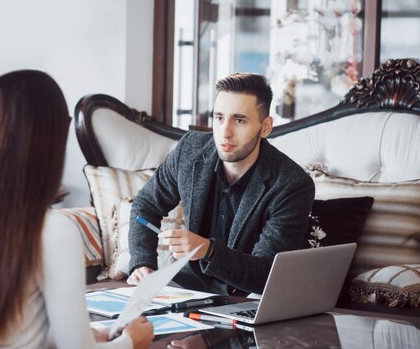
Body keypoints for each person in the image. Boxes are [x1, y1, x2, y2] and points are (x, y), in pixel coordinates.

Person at [0, 70, 189, 349]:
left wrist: (88, 337)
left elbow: (6, 326)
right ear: (51, 138)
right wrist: (130, 341)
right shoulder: (52, 230)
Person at [127, 73, 314, 295]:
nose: (225, 133)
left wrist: (208, 250)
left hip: (249, 300)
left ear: (265, 127)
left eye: (239, 120)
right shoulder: (189, 150)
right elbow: (146, 205)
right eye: (219, 118)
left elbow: (268, 273)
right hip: (188, 289)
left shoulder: (291, 184)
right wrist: (142, 264)